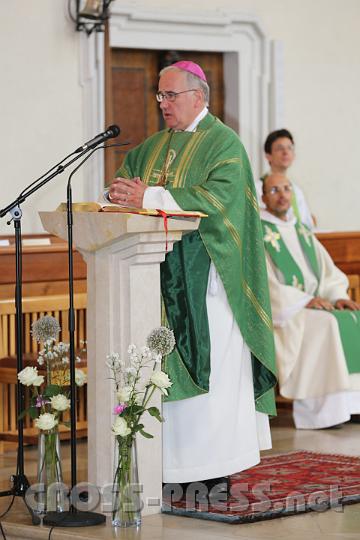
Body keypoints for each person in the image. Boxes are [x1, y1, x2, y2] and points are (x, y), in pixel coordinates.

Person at [105, 60, 277, 495]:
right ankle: (167, 467)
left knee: (214, 374)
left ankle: (214, 467)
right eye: (160, 96)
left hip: (211, 285)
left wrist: (152, 195)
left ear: (198, 96)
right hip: (156, 280)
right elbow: (127, 181)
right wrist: (117, 194)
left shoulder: (224, 145)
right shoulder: (154, 145)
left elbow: (219, 201)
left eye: (171, 95)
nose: (163, 103)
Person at [260, 172, 360, 429]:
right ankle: (319, 413)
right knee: (326, 324)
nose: (282, 195)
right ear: (263, 197)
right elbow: (265, 286)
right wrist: (304, 300)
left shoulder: (302, 231)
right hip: (288, 313)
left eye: (286, 189)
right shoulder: (260, 233)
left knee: (353, 317)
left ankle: (352, 405)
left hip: (314, 305)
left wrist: (338, 296)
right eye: (274, 191)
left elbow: (328, 273)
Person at [256, 129, 315, 229]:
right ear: (268, 156)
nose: (285, 152)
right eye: (280, 148)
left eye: (289, 148)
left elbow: (308, 226)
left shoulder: (296, 191)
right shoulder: (257, 188)